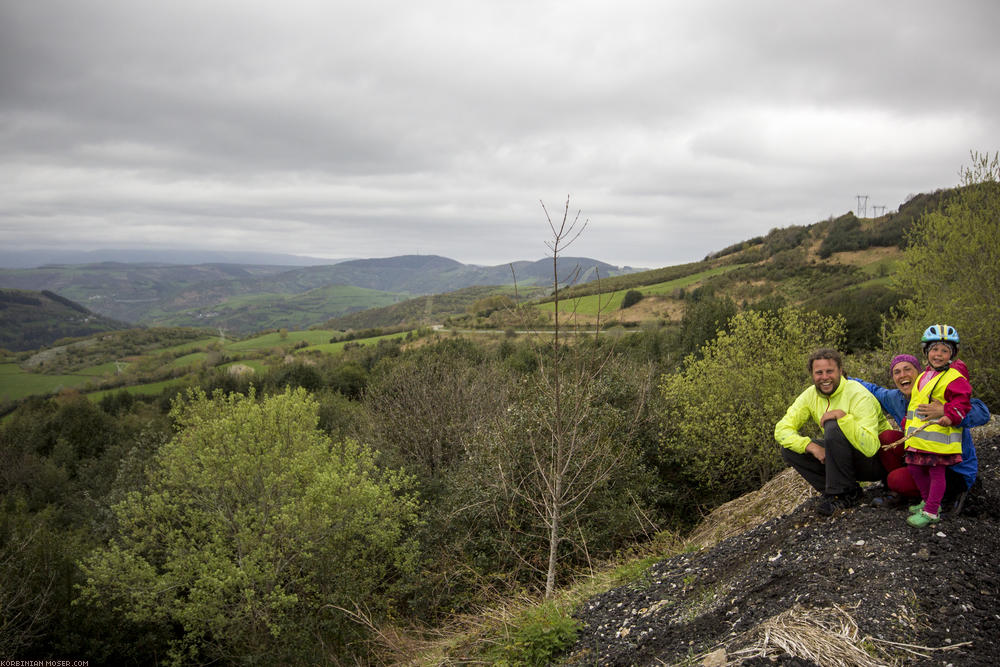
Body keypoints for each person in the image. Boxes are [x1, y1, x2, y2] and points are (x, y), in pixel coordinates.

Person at [851, 353, 989, 514]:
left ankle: (947, 497)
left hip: (953, 468)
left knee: (895, 480)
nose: (903, 375)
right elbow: (873, 389)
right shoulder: (896, 398)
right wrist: (842, 377)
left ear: (921, 373)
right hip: (923, 458)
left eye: (907, 369)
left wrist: (945, 410)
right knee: (887, 438)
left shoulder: (939, 391)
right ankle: (906, 493)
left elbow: (983, 413)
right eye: (897, 372)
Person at [775, 348, 891, 516]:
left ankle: (841, 494)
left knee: (832, 424)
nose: (824, 377)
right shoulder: (810, 395)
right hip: (845, 461)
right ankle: (849, 491)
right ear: (812, 375)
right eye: (819, 372)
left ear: (840, 371)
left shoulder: (858, 393)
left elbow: (871, 447)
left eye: (830, 371)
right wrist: (811, 446)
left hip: (875, 461)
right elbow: (781, 429)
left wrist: (844, 419)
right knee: (789, 449)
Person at [900, 324, 973, 527]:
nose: (938, 354)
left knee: (936, 473)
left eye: (944, 350)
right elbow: (915, 404)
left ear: (952, 354)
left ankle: (932, 511)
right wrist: (907, 423)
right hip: (919, 436)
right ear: (926, 351)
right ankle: (928, 502)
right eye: (934, 349)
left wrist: (950, 414)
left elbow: (963, 403)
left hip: (939, 438)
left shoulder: (954, 378)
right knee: (914, 468)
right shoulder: (923, 376)